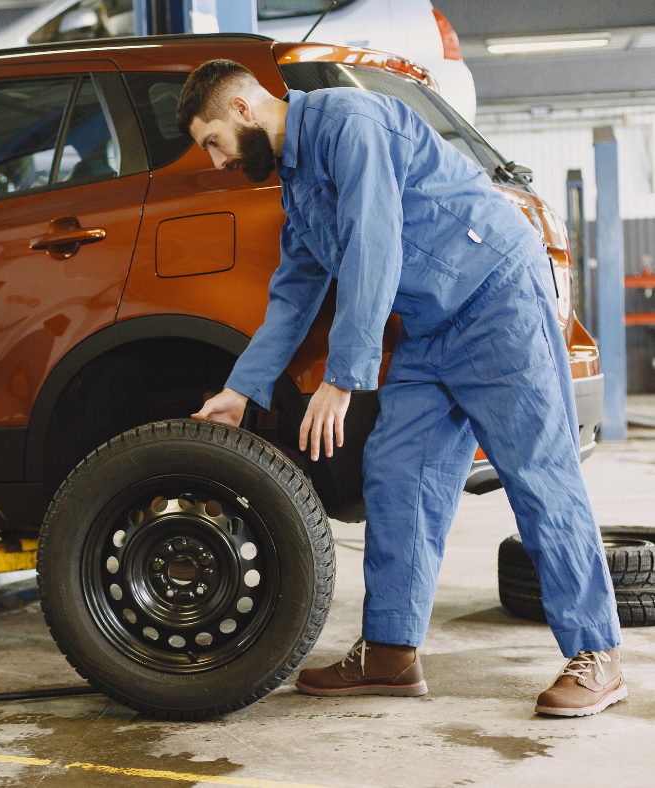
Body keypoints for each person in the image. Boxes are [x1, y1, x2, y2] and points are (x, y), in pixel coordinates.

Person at [177, 59, 625, 717]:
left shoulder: (347, 122)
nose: (214, 160)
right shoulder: (297, 182)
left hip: (495, 299)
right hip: (428, 325)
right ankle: (390, 653)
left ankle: (598, 655)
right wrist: (242, 389)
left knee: (537, 473)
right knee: (397, 472)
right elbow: (297, 290)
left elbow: (374, 245)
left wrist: (343, 378)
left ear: (243, 108)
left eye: (212, 140)